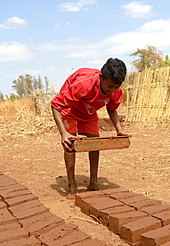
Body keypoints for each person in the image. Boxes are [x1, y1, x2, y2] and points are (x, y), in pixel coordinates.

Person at [51, 58, 130, 199]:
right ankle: (72, 186)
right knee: (70, 144)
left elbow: (112, 109)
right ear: (101, 77)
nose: (111, 90)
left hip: (88, 112)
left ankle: (93, 182)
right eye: (109, 86)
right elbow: (56, 105)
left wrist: (119, 129)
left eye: (115, 87)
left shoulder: (116, 91)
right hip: (69, 109)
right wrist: (63, 133)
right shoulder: (83, 85)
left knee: (95, 142)